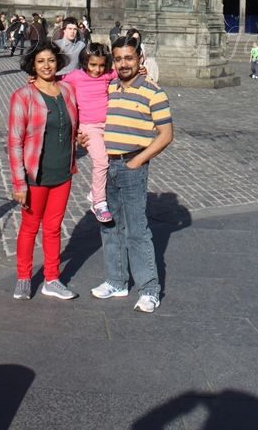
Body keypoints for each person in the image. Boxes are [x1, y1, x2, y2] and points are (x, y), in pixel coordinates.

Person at [89, 34, 173, 313]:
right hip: (106, 167)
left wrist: (139, 160)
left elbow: (166, 134)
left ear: (140, 59)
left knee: (137, 230)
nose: (123, 63)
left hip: (131, 166)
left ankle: (149, 289)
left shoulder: (153, 91)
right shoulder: (108, 87)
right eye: (119, 58)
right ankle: (117, 281)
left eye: (129, 58)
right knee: (110, 226)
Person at [8, 42, 80, 300]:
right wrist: (19, 183)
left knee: (53, 227)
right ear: (33, 66)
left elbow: (75, 122)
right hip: (35, 174)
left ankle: (52, 278)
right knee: (29, 227)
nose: (47, 65)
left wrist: (80, 137)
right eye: (41, 62)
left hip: (63, 171)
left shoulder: (68, 90)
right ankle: (24, 278)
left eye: (50, 60)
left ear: (57, 62)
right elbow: (15, 141)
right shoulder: (23, 96)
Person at [62, 42, 118, 223]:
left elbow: (125, 71)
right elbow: (55, 82)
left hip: (108, 125)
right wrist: (34, 79)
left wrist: (141, 70)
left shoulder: (107, 75)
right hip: (88, 127)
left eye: (101, 65)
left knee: (113, 160)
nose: (97, 69)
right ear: (85, 62)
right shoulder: (76, 76)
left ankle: (95, 192)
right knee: (101, 161)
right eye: (93, 65)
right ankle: (99, 202)